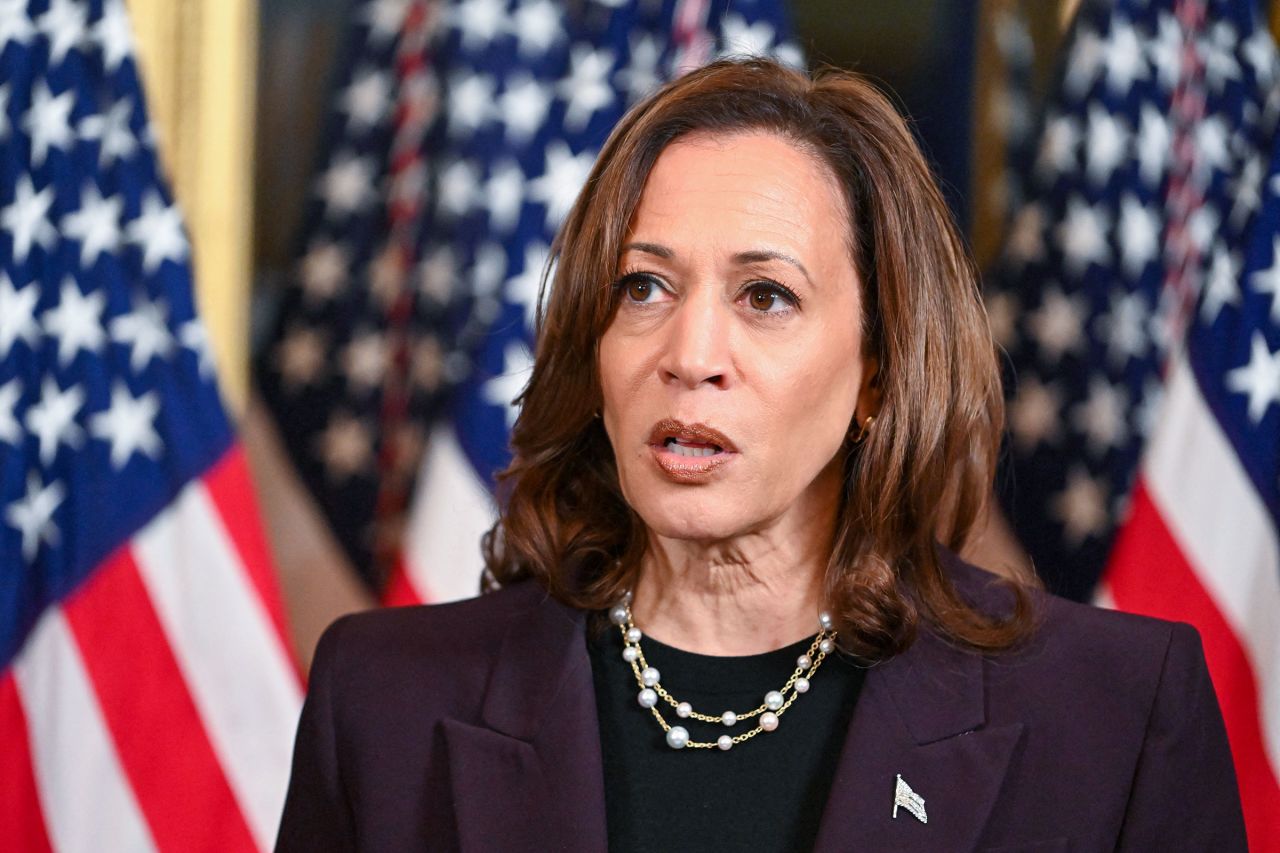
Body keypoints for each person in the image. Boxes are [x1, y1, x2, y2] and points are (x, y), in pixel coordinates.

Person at [275, 58, 1245, 852]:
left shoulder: (1111, 713)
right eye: (643, 288)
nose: (689, 357)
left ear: (876, 371)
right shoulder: (385, 700)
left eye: (765, 297)